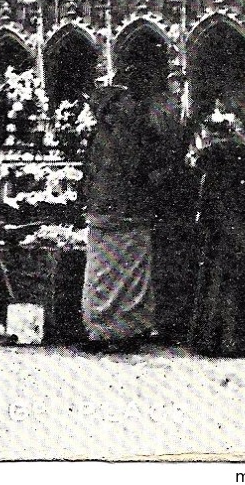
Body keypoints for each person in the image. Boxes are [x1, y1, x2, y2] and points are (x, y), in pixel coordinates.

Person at [187, 106, 245, 357]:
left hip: (222, 227)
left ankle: (221, 338)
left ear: (211, 133)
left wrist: (204, 222)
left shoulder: (211, 159)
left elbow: (208, 198)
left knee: (219, 279)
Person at [79, 84, 159, 352]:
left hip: (116, 214)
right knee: (113, 273)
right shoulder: (116, 139)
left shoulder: (111, 137)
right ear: (112, 110)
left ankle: (117, 327)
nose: (133, 106)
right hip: (119, 214)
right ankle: (110, 328)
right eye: (126, 101)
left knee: (115, 273)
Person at [146, 72, 199, 343]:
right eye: (176, 84)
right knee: (169, 260)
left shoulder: (181, 112)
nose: (179, 90)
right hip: (168, 191)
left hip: (176, 193)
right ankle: (169, 318)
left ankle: (175, 318)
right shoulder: (162, 110)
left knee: (175, 259)